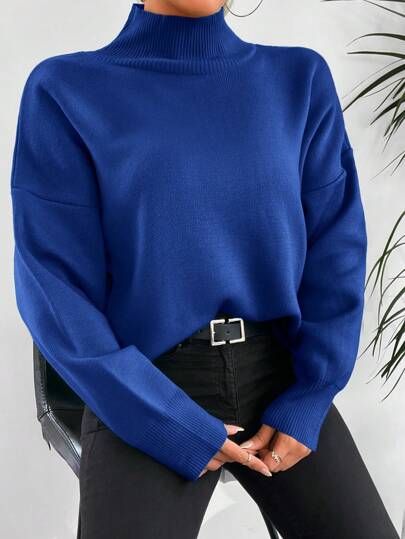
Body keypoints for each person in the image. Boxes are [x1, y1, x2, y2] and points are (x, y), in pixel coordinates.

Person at [10, 1, 399, 538]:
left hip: (282, 381)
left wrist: (311, 396)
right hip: (147, 387)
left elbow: (337, 250)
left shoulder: (298, 79)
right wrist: (164, 419)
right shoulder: (66, 90)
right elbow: (54, 287)